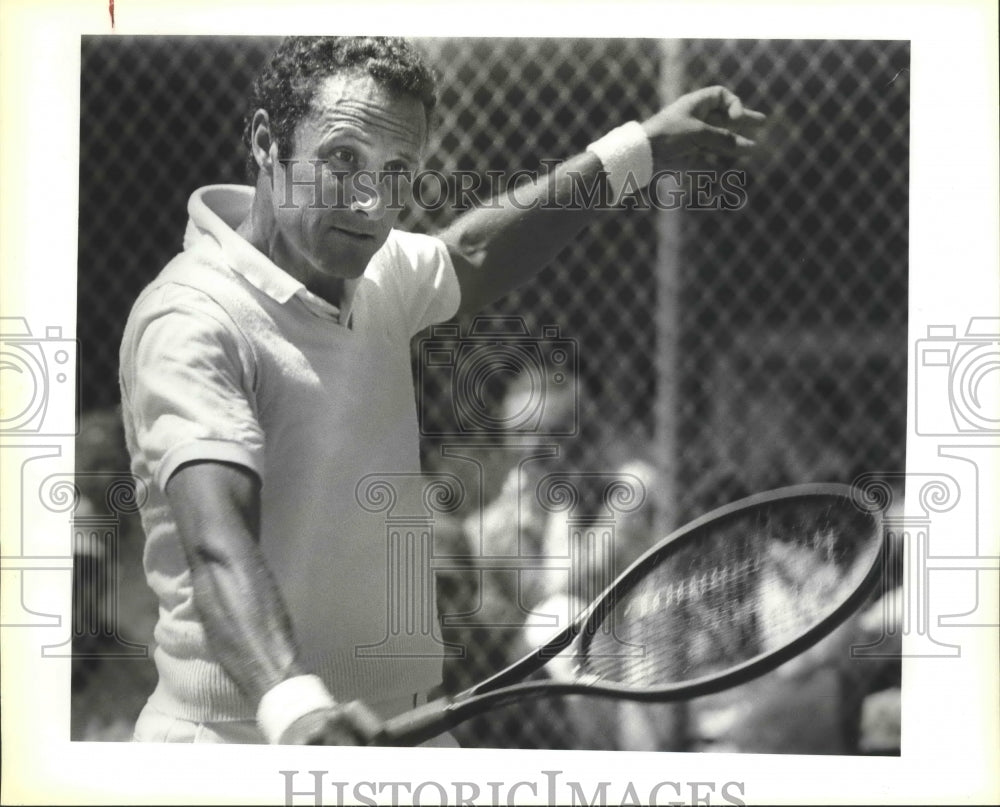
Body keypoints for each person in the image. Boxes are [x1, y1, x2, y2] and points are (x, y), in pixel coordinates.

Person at [119, 35, 764, 746]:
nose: (371, 200)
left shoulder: (379, 274)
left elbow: (472, 251)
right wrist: (299, 710)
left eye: (398, 171)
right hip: (240, 742)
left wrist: (638, 149)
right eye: (342, 160)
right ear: (268, 142)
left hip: (405, 724)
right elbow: (217, 542)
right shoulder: (191, 318)